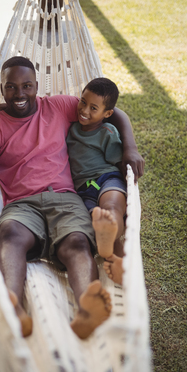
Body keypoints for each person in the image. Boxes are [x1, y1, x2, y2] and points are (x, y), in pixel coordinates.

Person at [0, 56, 144, 339]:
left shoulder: (60, 106)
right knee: (11, 233)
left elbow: (114, 112)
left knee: (75, 242)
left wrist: (130, 148)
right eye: (11, 87)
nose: (20, 94)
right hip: (21, 202)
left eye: (26, 86)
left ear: (37, 86)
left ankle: (89, 309)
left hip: (65, 196)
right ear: (2, 90)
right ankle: (13, 308)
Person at [67, 78, 127, 284]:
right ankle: (116, 261)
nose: (84, 110)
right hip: (83, 191)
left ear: (107, 114)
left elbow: (119, 163)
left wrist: (131, 186)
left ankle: (115, 256)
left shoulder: (107, 133)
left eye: (94, 108)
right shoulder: (70, 130)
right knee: (97, 219)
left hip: (107, 178)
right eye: (83, 102)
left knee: (111, 209)